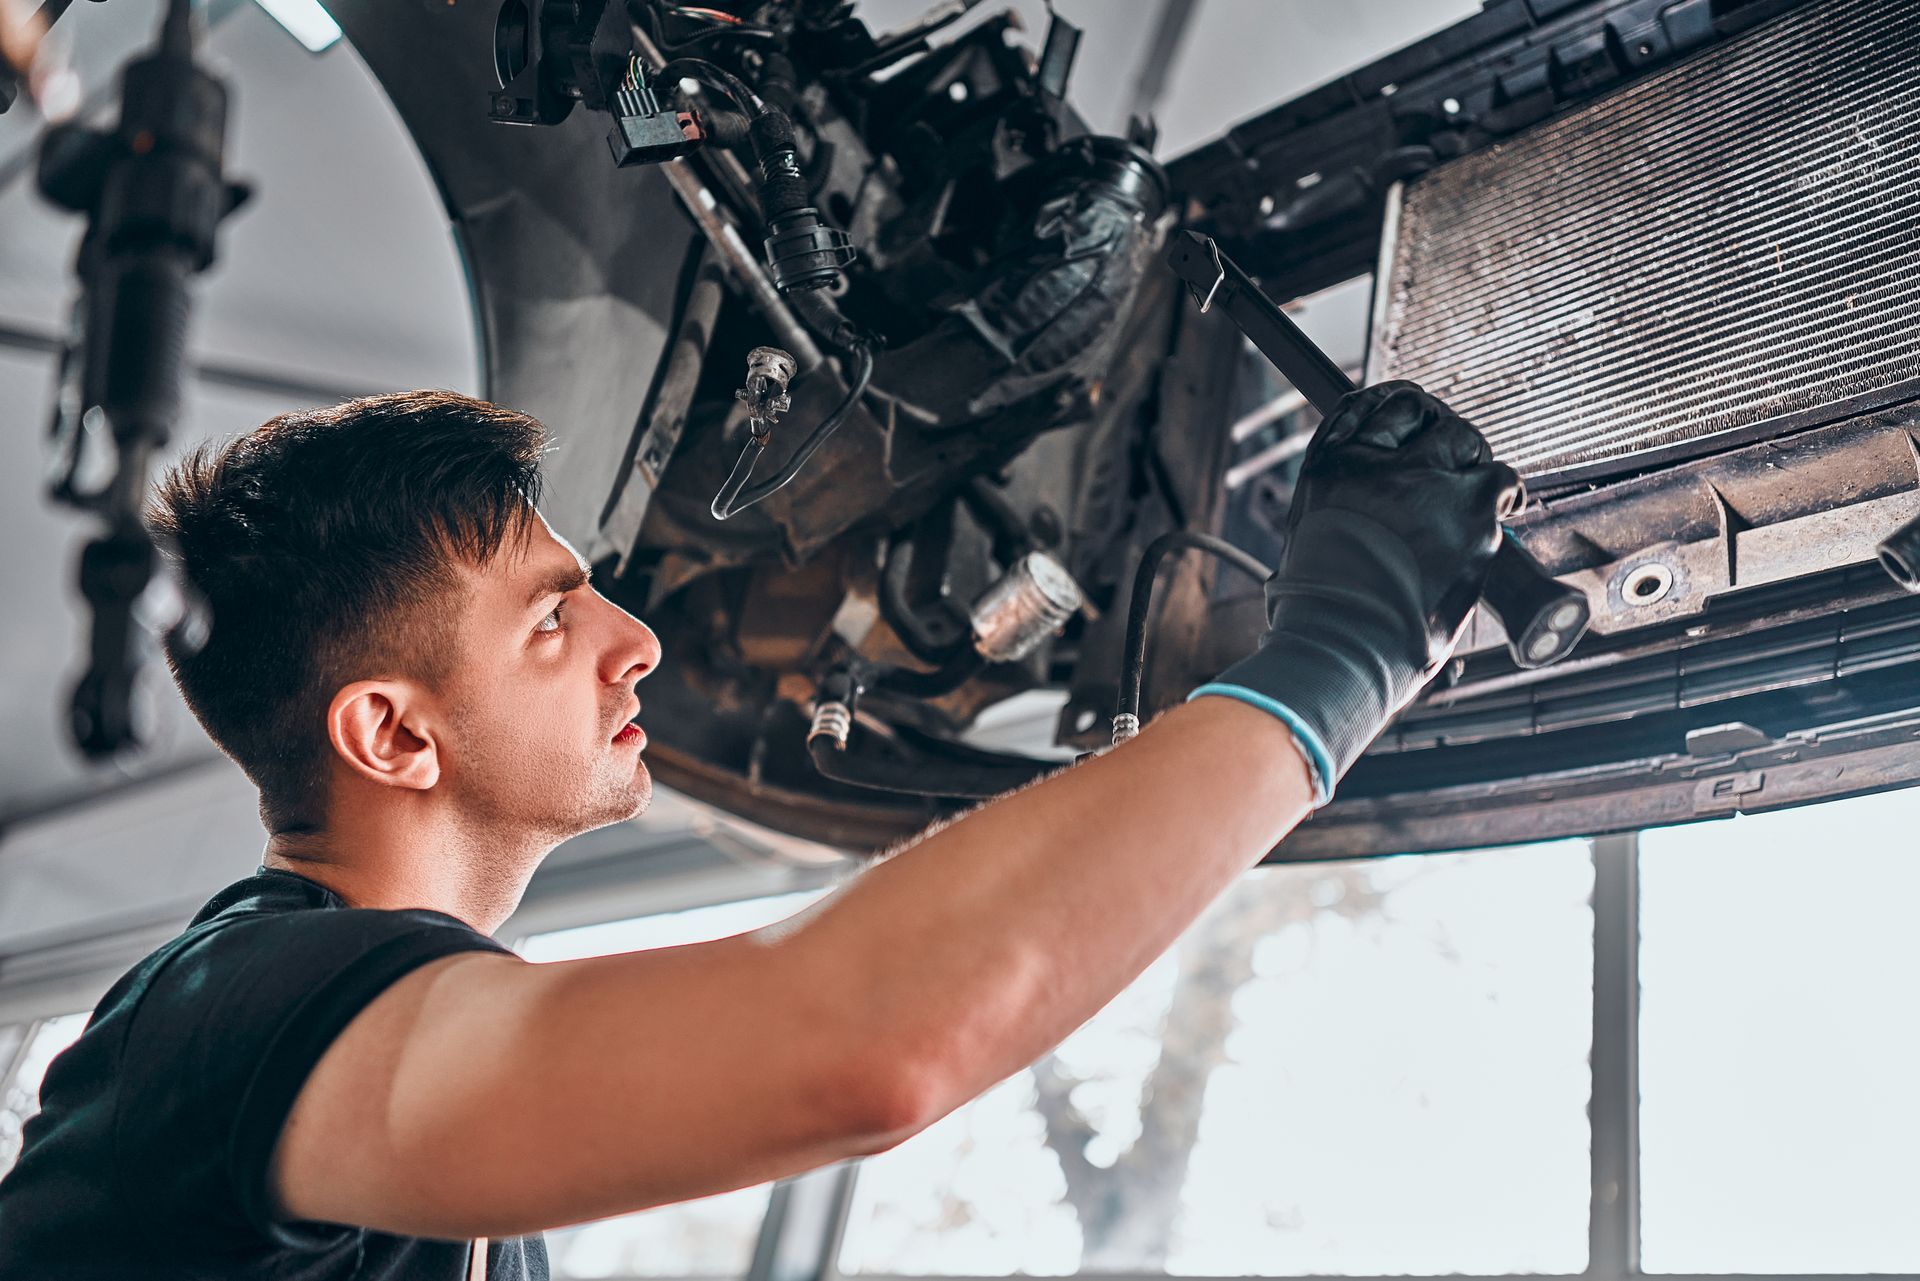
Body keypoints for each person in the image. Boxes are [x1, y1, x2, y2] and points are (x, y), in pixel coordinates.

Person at [0, 381, 1518, 1279]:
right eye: (551, 621)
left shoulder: (380, 1091)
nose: (637, 637)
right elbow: (854, 1042)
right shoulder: (230, 1018)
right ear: (392, 732)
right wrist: (1342, 653)